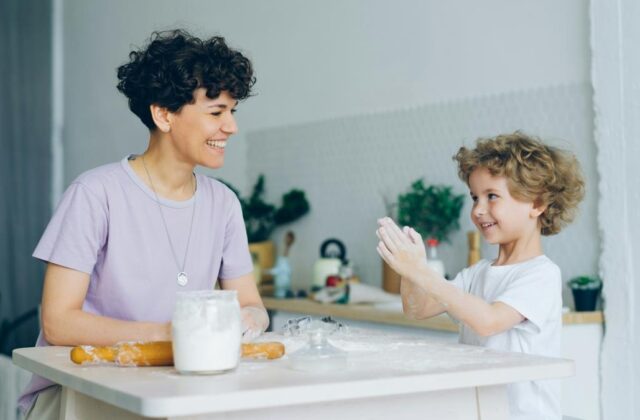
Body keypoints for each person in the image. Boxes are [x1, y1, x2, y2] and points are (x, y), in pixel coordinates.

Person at [19, 29, 269, 419]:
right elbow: (58, 322)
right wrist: (171, 335)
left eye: (232, 112)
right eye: (217, 112)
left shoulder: (223, 204)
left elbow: (251, 304)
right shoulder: (95, 193)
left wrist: (250, 320)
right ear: (163, 114)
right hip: (84, 393)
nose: (231, 127)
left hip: (171, 391)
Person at [376, 132, 585, 420]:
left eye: (492, 196)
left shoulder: (541, 274)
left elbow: (489, 321)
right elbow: (417, 309)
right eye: (475, 197)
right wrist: (410, 270)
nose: (478, 210)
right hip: (480, 411)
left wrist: (421, 272)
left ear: (537, 204)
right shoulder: (477, 273)